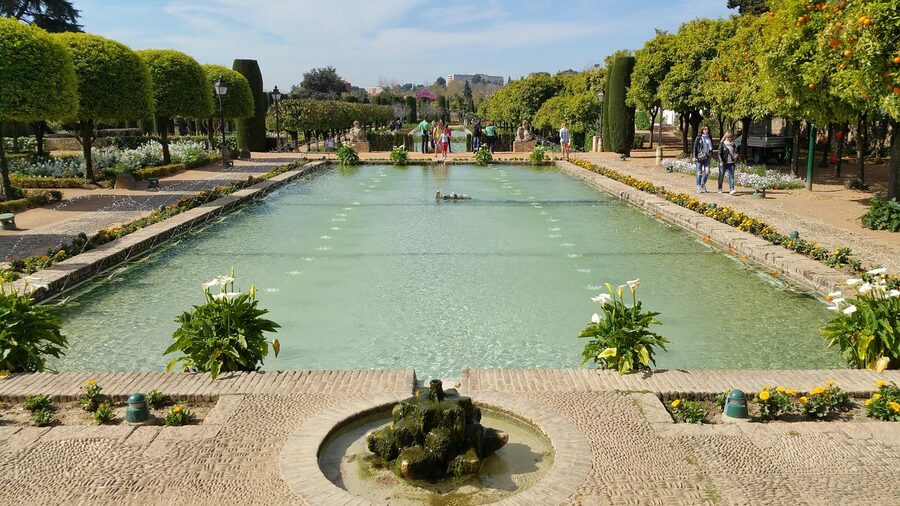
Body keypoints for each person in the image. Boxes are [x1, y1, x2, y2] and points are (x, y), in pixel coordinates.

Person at [692, 125, 713, 193]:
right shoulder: (698, 138)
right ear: (702, 130)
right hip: (700, 157)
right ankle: (698, 187)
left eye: (707, 129)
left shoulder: (709, 138)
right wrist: (694, 156)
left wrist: (710, 153)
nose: (706, 130)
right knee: (699, 173)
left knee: (707, 171)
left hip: (707, 157)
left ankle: (702, 184)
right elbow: (695, 147)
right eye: (705, 129)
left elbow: (711, 147)